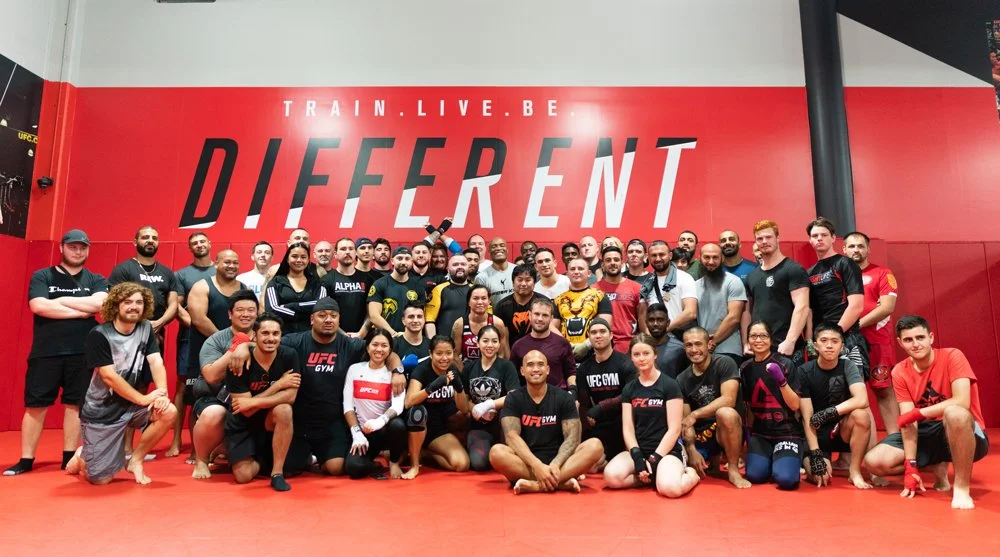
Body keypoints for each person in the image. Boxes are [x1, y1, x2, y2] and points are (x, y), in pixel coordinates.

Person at [230, 298, 404, 477]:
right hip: (300, 420)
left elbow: (385, 352)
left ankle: (321, 458)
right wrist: (245, 346)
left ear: (339, 320)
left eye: (333, 316)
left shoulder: (350, 345)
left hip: (332, 422)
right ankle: (307, 458)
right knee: (288, 469)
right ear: (312, 319)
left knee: (336, 468)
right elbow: (269, 342)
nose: (328, 320)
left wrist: (398, 371)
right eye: (322, 315)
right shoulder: (296, 342)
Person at [5, 229, 109, 476]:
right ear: (62, 248)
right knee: (36, 405)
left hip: (82, 352)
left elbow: (100, 304)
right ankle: (26, 459)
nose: (78, 251)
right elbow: (39, 306)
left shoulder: (96, 279)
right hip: (46, 352)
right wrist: (82, 310)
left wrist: (59, 302)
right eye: (72, 246)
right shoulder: (43, 275)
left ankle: (68, 457)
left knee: (75, 405)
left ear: (88, 250)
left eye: (82, 247)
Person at [863, 315, 989, 510]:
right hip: (927, 430)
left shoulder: (952, 356)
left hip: (965, 430)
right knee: (874, 462)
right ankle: (935, 465)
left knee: (954, 413)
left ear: (931, 337)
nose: (915, 344)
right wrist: (910, 465)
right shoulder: (899, 371)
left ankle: (961, 489)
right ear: (900, 343)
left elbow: (962, 402)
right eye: (908, 340)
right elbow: (908, 420)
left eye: (920, 337)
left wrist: (919, 413)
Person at [64, 282, 176, 485]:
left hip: (130, 405)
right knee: (100, 479)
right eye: (128, 302)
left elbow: (156, 361)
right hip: (101, 412)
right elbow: (108, 376)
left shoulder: (145, 329)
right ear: (116, 305)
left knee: (169, 411)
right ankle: (82, 456)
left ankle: (136, 460)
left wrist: (162, 393)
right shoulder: (99, 335)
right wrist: (143, 398)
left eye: (139, 302)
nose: (134, 306)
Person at [489, 350, 604, 494]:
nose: (536, 369)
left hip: (560, 461)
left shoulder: (564, 398)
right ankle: (560, 482)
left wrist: (555, 464)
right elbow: (512, 437)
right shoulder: (513, 398)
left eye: (540, 364)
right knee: (496, 453)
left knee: (595, 446)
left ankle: (535, 485)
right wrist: (537, 466)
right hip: (526, 462)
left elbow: (573, 438)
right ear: (522, 371)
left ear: (548, 370)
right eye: (530, 365)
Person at [603, 334, 700, 497]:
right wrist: (637, 457)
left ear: (655, 354)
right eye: (636, 354)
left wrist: (655, 458)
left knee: (670, 489)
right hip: (641, 449)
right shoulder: (629, 389)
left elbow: (675, 429)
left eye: (646, 353)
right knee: (611, 477)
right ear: (631, 358)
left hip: (667, 451)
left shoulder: (670, 385)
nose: (641, 359)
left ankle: (690, 475)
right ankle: (648, 476)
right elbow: (627, 428)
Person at [224, 314, 298, 491]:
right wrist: (278, 385)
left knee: (284, 409)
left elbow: (290, 397)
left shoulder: (290, 356)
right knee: (243, 477)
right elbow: (245, 410)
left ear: (281, 336)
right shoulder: (238, 362)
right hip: (243, 424)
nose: (271, 338)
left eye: (275, 333)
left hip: (271, 421)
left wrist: (253, 402)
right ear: (254, 336)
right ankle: (257, 459)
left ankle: (276, 473)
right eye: (265, 333)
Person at [191, 289, 259, 479]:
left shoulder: (265, 336)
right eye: (240, 310)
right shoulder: (215, 340)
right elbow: (211, 376)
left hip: (250, 399)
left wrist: (249, 345)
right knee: (215, 414)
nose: (246, 314)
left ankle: (222, 448)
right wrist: (237, 347)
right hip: (216, 399)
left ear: (257, 313)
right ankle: (202, 460)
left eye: (251, 310)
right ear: (230, 314)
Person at [797, 323, 875, 490]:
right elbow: (806, 416)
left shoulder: (848, 366)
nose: (829, 345)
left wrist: (830, 412)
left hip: (841, 430)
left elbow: (862, 399)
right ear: (816, 345)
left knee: (861, 415)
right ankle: (817, 458)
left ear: (842, 346)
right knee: (821, 477)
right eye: (824, 340)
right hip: (816, 433)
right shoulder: (804, 371)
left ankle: (854, 472)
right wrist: (816, 454)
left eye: (835, 341)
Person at [676, 327, 748, 488]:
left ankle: (733, 470)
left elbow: (728, 399)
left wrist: (696, 414)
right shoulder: (681, 379)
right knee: (687, 468)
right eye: (688, 345)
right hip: (702, 436)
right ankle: (711, 459)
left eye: (698, 344)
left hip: (725, 431)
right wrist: (692, 448)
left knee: (726, 413)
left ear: (709, 344)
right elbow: (686, 421)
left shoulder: (724, 363)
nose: (694, 350)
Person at [843, 230, 900, 434]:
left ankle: (896, 442)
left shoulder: (883, 273)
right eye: (851, 246)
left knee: (883, 389)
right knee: (851, 394)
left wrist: (854, 324)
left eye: (860, 246)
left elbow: (887, 307)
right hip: (848, 343)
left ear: (868, 249)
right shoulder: (840, 277)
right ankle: (857, 450)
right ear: (844, 250)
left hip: (877, 342)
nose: (856, 250)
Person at [740, 321, 804, 490]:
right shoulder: (745, 368)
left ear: (771, 339)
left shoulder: (785, 364)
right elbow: (748, 406)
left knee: (786, 480)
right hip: (761, 435)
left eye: (763, 336)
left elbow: (795, 405)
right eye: (753, 336)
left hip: (787, 433)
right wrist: (749, 436)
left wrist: (781, 381)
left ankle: (790, 459)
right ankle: (771, 460)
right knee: (754, 475)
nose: (758, 340)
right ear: (747, 340)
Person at [168, 232, 216, 459]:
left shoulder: (221, 270)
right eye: (194, 243)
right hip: (190, 337)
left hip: (216, 336)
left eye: (202, 241)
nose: (199, 245)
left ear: (209, 244)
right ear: (190, 248)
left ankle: (210, 443)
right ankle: (176, 440)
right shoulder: (182, 275)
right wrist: (194, 322)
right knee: (183, 386)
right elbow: (176, 306)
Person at [742, 220, 810, 365]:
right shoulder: (752, 276)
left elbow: (802, 307)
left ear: (777, 238)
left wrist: (790, 341)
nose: (764, 241)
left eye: (768, 237)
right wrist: (746, 342)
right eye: (760, 238)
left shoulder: (793, 269)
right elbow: (746, 312)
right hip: (760, 348)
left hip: (785, 348)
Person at [805, 217, 867, 376]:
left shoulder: (845, 263)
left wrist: (835, 334)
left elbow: (856, 305)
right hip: (822, 340)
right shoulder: (809, 272)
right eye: (815, 236)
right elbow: (809, 311)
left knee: (855, 389)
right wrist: (810, 341)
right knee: (827, 392)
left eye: (824, 235)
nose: (819, 238)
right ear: (810, 240)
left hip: (847, 337)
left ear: (833, 238)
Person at [343, 329, 407, 479]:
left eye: (384, 345)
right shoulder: (355, 369)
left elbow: (397, 406)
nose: (379, 349)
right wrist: (357, 433)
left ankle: (394, 462)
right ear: (367, 347)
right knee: (353, 468)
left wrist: (379, 422)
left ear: (390, 350)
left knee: (398, 425)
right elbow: (347, 405)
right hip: (363, 433)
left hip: (384, 430)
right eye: (375, 344)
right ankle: (374, 464)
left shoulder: (395, 376)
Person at [404, 336, 471, 478]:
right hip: (419, 426)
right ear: (430, 353)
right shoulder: (422, 370)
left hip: (438, 430)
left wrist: (459, 389)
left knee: (461, 464)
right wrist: (432, 387)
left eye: (448, 353)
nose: (444, 358)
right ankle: (414, 465)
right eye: (439, 353)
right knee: (417, 412)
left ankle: (425, 453)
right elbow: (409, 402)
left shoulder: (453, 370)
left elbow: (464, 409)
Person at [574, 318, 636, 467]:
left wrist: (601, 407)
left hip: (624, 423)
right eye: (594, 332)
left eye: (602, 331)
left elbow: (630, 396)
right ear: (589, 337)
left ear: (611, 335)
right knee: (593, 466)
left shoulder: (625, 363)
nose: (598, 335)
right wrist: (586, 426)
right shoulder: (583, 368)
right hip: (598, 425)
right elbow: (583, 404)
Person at [108, 225, 178, 348]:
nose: (150, 240)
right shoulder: (123, 269)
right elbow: (115, 302)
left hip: (156, 333)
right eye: (145, 237)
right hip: (126, 333)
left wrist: (159, 323)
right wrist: (143, 324)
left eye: (154, 238)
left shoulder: (167, 272)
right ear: (135, 242)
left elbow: (173, 304)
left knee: (154, 366)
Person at [463, 325, 520, 471]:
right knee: (479, 464)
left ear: (500, 343)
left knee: (508, 461)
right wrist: (476, 410)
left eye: (494, 341)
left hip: (502, 424)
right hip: (479, 426)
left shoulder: (507, 366)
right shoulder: (469, 367)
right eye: (485, 341)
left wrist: (490, 404)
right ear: (478, 343)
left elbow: (514, 395)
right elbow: (465, 399)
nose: (490, 345)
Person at [639, 240, 697, 377]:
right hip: (655, 343)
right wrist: (650, 337)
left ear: (670, 255)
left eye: (662, 254)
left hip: (680, 341)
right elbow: (642, 315)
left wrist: (663, 330)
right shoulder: (647, 283)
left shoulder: (684, 278)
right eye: (654, 255)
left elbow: (691, 312)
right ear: (648, 257)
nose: (658, 258)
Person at [695, 244, 747, 363]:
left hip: (729, 350)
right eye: (707, 257)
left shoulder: (733, 282)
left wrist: (713, 342)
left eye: (715, 257)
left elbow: (734, 317)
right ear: (700, 258)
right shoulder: (695, 285)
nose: (711, 261)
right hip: (702, 351)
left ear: (722, 258)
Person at [511, 298, 576, 390]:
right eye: (537, 314)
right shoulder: (518, 346)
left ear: (551, 318)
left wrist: (573, 392)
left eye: (545, 315)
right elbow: (513, 378)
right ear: (529, 315)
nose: (540, 319)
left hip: (558, 399)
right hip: (528, 400)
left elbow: (571, 372)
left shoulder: (562, 343)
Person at [554, 257, 612, 357]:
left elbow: (605, 325)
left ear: (589, 273)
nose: (576, 272)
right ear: (567, 274)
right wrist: (566, 344)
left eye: (580, 268)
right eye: (572, 269)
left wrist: (587, 345)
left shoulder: (600, 295)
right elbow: (552, 327)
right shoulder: (559, 299)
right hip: (566, 353)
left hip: (595, 353)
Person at [265, 242, 327, 333]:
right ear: (287, 259)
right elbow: (272, 310)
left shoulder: (317, 283)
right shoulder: (275, 283)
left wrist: (291, 306)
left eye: (303, 257)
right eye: (294, 256)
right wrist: (302, 313)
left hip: (311, 338)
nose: (299, 260)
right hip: (283, 338)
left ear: (308, 260)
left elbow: (321, 307)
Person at [595, 246, 644, 354]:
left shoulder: (637, 288)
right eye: (608, 260)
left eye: (616, 259)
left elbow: (642, 321)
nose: (612, 263)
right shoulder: (593, 290)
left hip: (630, 347)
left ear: (622, 263)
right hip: (602, 347)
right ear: (602, 264)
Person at [321, 237, 375, 335]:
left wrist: (360, 334)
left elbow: (371, 312)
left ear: (356, 253)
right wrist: (343, 335)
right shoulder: (326, 280)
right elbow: (323, 311)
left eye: (351, 249)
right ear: (335, 254)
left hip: (363, 338)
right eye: (343, 249)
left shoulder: (368, 279)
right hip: (335, 337)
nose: (347, 252)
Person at [368, 246, 426, 335]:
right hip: (385, 339)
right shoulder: (380, 284)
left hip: (410, 339)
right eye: (399, 258)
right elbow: (374, 316)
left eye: (407, 259)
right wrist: (393, 334)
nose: (403, 262)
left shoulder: (419, 287)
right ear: (392, 261)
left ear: (411, 262)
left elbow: (420, 318)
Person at [495, 264, 550, 346]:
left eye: (528, 280)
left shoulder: (545, 303)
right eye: (519, 280)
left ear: (534, 282)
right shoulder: (502, 306)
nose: (523, 284)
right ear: (513, 282)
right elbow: (502, 339)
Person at [452, 285, 510, 364]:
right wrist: (465, 373)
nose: (480, 302)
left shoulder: (497, 323)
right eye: (475, 298)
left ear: (489, 301)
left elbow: (501, 354)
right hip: (467, 371)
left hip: (491, 372)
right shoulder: (459, 324)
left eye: (483, 298)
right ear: (468, 301)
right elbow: (455, 355)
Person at [424, 254, 471, 338]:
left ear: (468, 267)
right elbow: (429, 320)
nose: (460, 267)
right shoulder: (439, 289)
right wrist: (433, 344)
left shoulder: (476, 290)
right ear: (448, 269)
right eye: (455, 264)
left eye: (463, 264)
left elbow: (488, 318)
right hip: (445, 346)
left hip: (471, 344)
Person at [474, 237, 516, 307]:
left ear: (507, 250)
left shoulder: (517, 270)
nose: (499, 248)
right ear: (489, 252)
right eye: (494, 246)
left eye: (502, 245)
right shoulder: (482, 277)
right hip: (495, 317)